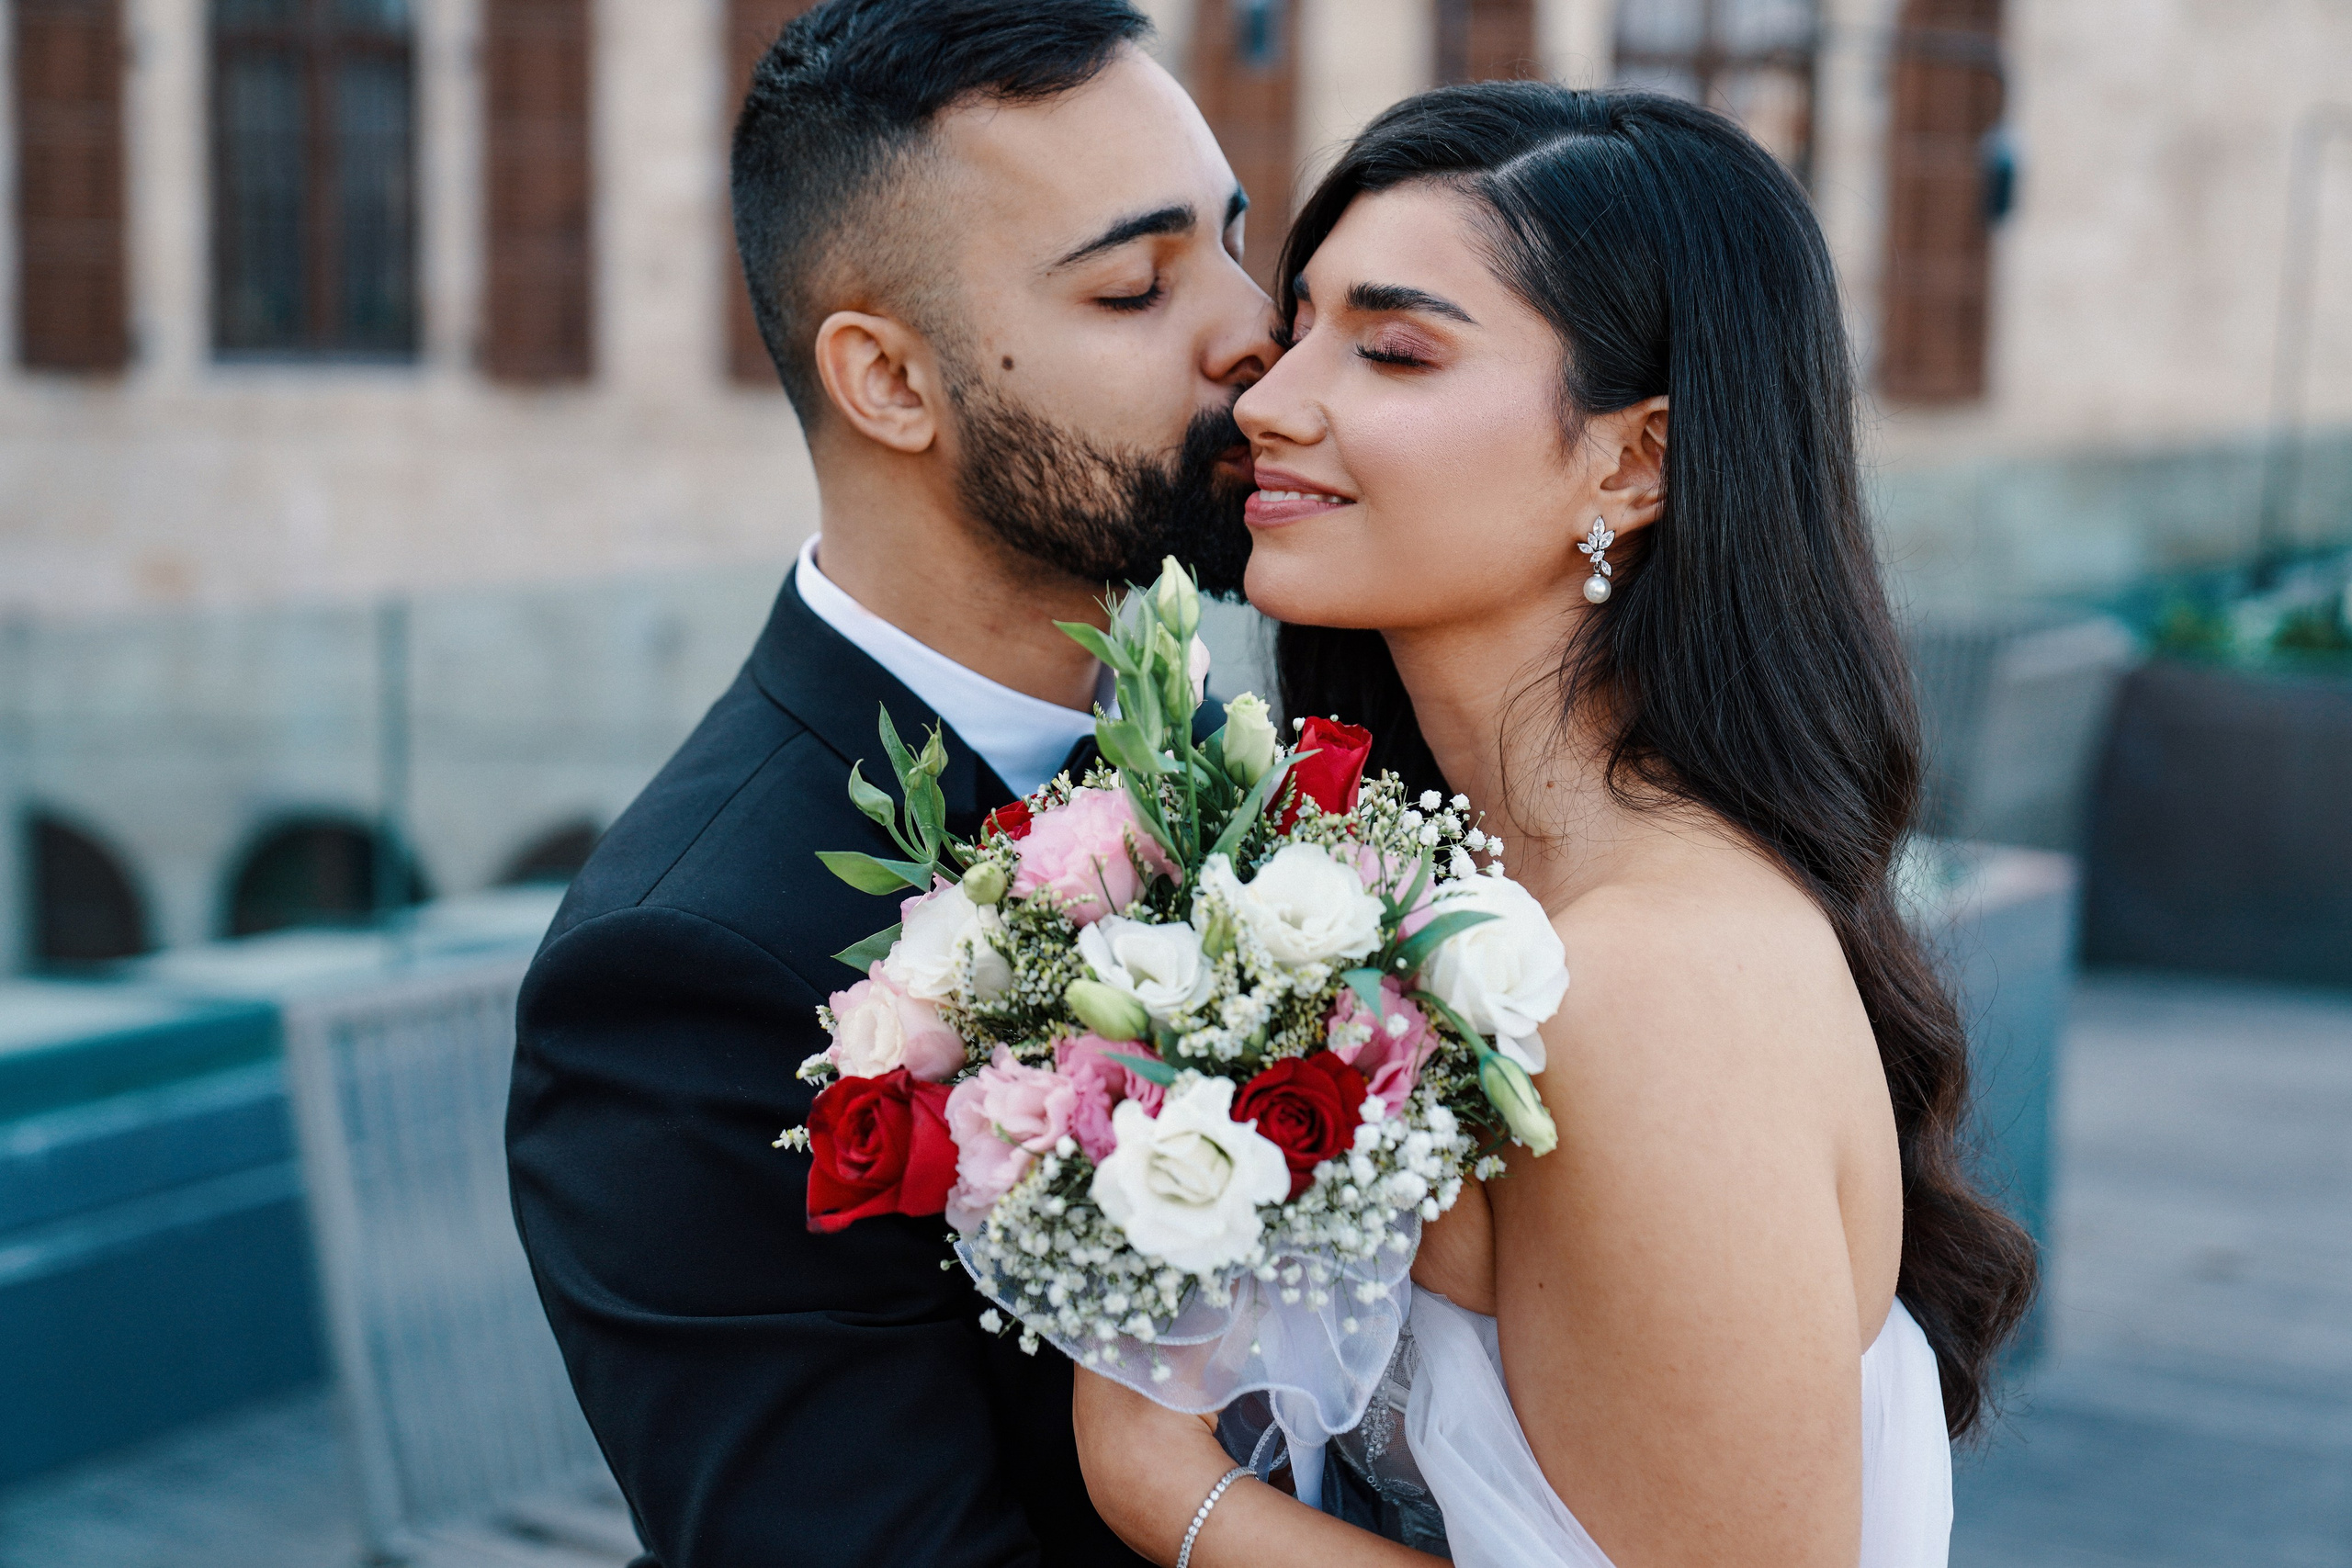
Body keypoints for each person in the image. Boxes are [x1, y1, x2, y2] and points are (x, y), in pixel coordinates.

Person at [1069, 84, 2038, 1568]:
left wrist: (1164, 1489)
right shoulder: (1420, 889)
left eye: (1393, 350)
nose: (1269, 401)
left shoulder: (1656, 983)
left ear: (1633, 461)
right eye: (1299, 326)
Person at [503, 2, 1276, 1562]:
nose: (1255, 333)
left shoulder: (1242, 754)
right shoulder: (679, 979)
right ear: (889, 382)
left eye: (1236, 244)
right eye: (1135, 287)